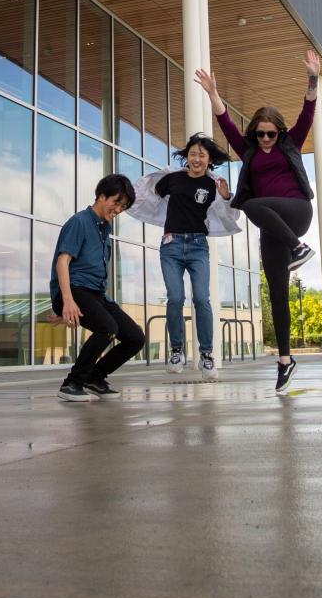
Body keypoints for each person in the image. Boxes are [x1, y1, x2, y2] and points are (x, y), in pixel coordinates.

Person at [194, 51, 320, 394]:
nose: (265, 139)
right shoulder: (248, 149)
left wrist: (312, 79)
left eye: (271, 134)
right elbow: (227, 125)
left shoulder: (290, 142)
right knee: (277, 293)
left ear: (279, 132)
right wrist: (213, 94)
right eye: (261, 134)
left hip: (296, 213)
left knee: (247, 201)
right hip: (271, 226)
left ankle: (299, 246)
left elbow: (307, 112)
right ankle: (284, 360)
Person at [129, 134, 240, 381]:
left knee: (202, 298)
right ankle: (177, 350)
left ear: (209, 160)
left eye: (202, 155)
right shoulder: (173, 179)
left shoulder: (213, 185)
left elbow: (227, 215)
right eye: (192, 154)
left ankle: (207, 355)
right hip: (171, 245)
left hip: (198, 246)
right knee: (176, 297)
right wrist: (126, 198)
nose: (196, 158)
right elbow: (148, 195)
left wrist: (225, 196)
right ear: (186, 156)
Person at [51, 174, 146, 402]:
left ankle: (95, 377)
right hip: (75, 289)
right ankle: (72, 383)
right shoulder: (80, 221)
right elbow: (62, 262)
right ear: (101, 196)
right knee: (107, 327)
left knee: (135, 337)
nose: (118, 209)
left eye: (123, 206)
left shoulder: (104, 229)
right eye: (116, 202)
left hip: (95, 294)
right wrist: (67, 301)